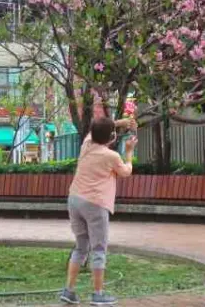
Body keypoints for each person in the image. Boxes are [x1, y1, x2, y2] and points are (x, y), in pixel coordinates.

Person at [60, 116, 137, 306]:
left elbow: (95, 130)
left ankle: (68, 291)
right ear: (111, 137)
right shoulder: (111, 156)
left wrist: (119, 122)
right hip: (95, 203)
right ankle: (98, 294)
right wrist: (129, 152)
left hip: (75, 200)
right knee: (99, 249)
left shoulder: (86, 145)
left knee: (81, 247)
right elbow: (126, 172)